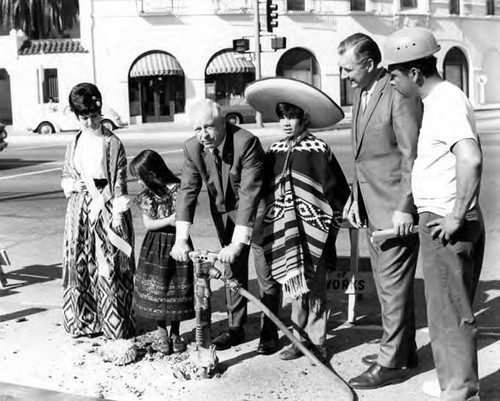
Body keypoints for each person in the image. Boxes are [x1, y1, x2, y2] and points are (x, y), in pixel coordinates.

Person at [385, 27, 484, 400]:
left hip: (446, 222)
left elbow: (470, 158)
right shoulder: (441, 100)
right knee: (446, 307)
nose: (392, 82)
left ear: (414, 72)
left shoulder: (445, 101)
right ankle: (453, 383)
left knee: (448, 312)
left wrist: (457, 215)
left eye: (394, 74)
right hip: (443, 217)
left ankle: (459, 391)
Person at [337, 33, 422, 389]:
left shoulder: (398, 94)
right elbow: (362, 156)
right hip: (370, 204)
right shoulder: (362, 91)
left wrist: (406, 206)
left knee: (391, 287)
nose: (345, 76)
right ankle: (404, 350)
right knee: (391, 286)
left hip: (394, 208)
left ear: (370, 64)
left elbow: (411, 155)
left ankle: (389, 363)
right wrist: (354, 197)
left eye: (349, 68)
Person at [245, 77, 350, 362]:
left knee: (314, 287)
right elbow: (264, 190)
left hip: (313, 228)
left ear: (304, 117)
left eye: (291, 116)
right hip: (282, 229)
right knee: (293, 283)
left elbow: (336, 189)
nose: (286, 122)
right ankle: (297, 339)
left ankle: (317, 342)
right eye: (282, 117)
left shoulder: (318, 150)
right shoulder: (275, 150)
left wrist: (332, 220)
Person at [170, 99, 265, 351]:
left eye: (209, 127)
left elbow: (249, 194)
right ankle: (236, 328)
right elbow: (187, 191)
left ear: (224, 122)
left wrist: (237, 241)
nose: (203, 135)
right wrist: (181, 237)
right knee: (233, 270)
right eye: (197, 129)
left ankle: (270, 331)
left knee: (264, 269)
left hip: (257, 210)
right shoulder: (192, 148)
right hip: (224, 212)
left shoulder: (246, 142)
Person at [61, 82, 135, 340]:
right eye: (85, 117)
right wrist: (72, 183)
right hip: (80, 210)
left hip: (106, 207)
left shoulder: (112, 143)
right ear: (76, 115)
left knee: (109, 264)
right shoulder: (75, 141)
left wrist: (116, 215)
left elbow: (120, 181)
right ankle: (85, 320)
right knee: (80, 262)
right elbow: (66, 173)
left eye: (94, 116)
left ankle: (114, 322)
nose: (91, 121)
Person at [129, 150, 194, 354]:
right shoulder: (147, 196)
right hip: (155, 246)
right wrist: (170, 220)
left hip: (178, 243)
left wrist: (177, 221)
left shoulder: (179, 190)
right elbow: (149, 224)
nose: (139, 182)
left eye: (141, 177)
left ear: (152, 173)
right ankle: (161, 332)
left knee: (177, 287)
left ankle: (175, 332)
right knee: (158, 289)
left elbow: (186, 216)